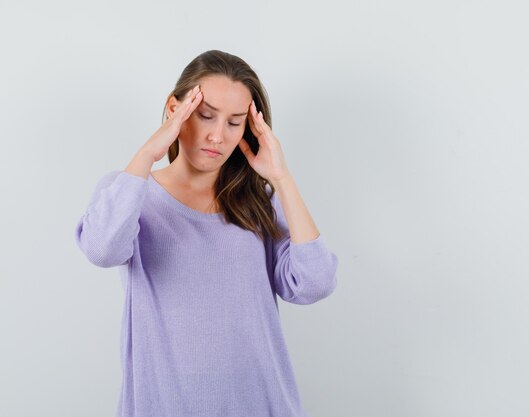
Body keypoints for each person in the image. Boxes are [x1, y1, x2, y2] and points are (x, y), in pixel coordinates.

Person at [74, 49, 338, 417]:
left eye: (234, 123)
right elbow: (102, 249)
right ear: (175, 108)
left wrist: (281, 178)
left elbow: (314, 284)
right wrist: (149, 152)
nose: (217, 136)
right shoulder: (130, 192)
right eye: (205, 115)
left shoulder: (259, 200)